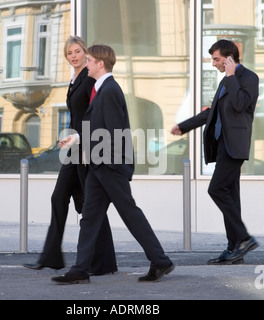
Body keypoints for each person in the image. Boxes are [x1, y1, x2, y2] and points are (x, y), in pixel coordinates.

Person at [52, 44, 174, 284]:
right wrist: (77, 138)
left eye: (88, 60)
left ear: (100, 63)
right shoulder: (101, 89)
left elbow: (114, 131)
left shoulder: (109, 90)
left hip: (110, 166)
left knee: (130, 214)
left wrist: (112, 166)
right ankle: (80, 270)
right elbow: (100, 127)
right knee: (89, 216)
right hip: (100, 166)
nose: (84, 64)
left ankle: (160, 261)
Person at [23, 36, 117, 275]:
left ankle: (104, 263)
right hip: (74, 148)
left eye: (78, 51)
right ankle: (52, 257)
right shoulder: (75, 78)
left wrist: (82, 140)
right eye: (69, 53)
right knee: (60, 198)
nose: (74, 56)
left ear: (85, 53)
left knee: (90, 204)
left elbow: (92, 114)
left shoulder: (89, 78)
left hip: (85, 148)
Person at [171, 39, 259, 265]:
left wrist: (230, 76)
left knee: (216, 189)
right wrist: (184, 126)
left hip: (235, 146)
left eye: (216, 59)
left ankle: (244, 239)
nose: (213, 64)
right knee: (231, 196)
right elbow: (213, 112)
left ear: (230, 59)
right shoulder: (225, 82)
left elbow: (241, 105)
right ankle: (234, 249)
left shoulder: (248, 78)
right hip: (222, 145)